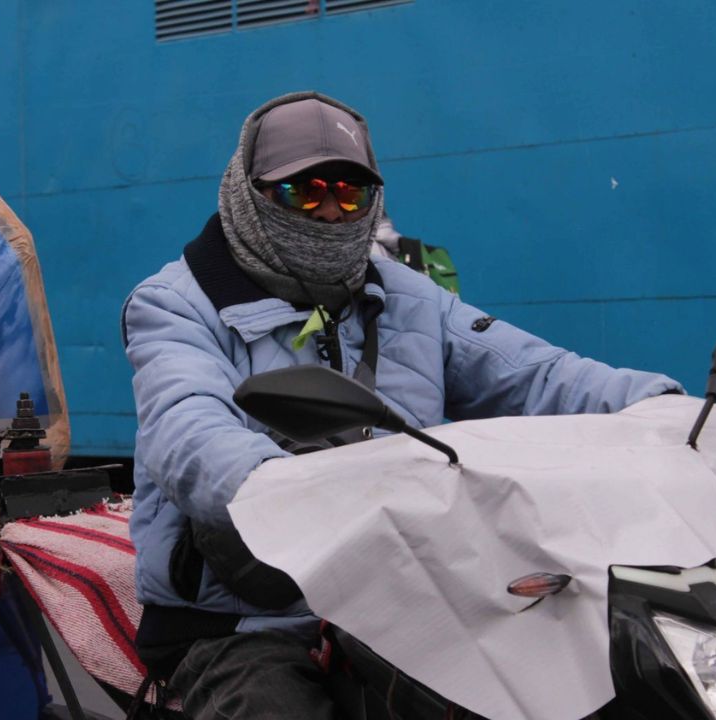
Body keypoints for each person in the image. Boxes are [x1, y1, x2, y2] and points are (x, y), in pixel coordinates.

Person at [120, 91, 681, 719]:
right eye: (304, 192)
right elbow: (187, 432)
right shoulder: (174, 304)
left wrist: (661, 408)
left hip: (399, 593)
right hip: (242, 615)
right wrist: (283, 490)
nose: (332, 212)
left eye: (350, 193)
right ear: (251, 193)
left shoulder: (411, 297)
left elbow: (536, 374)